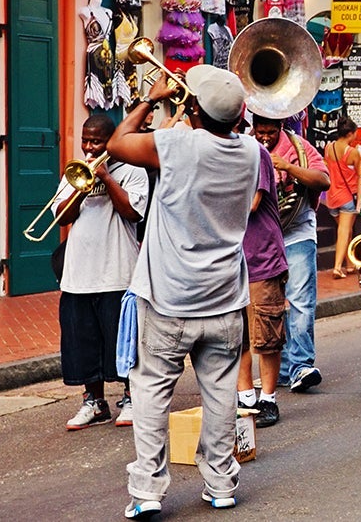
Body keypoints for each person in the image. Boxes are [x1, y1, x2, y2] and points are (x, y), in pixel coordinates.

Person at [110, 66, 258, 517]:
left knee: (152, 393)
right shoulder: (252, 151)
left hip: (170, 298)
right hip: (225, 297)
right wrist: (187, 110)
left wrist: (151, 100)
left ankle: (148, 493)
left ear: (193, 108)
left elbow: (117, 143)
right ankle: (221, 484)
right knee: (220, 395)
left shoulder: (180, 144)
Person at [55, 114, 148, 431]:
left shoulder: (132, 169)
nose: (89, 147)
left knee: (123, 343)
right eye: (85, 140)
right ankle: (93, 402)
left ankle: (131, 397)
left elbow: (133, 212)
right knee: (82, 343)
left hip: (117, 272)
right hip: (79, 273)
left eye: (96, 141)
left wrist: (107, 179)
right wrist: (82, 186)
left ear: (111, 141)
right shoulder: (75, 171)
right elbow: (62, 217)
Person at [250, 115, 330, 394]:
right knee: (269, 305)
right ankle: (281, 369)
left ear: (280, 128)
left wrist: (287, 167)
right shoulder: (247, 148)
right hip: (262, 237)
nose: (265, 137)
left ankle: (301, 366)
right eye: (260, 131)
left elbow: (323, 181)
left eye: (270, 132)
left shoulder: (299, 147)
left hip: (296, 231)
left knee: (300, 300)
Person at [236, 122, 289, 429]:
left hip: (261, 257)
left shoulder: (253, 152)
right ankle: (245, 397)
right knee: (236, 335)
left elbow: (252, 204)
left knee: (267, 336)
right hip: (229, 262)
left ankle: (268, 398)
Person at [323, 115, 361, 279]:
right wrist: (359, 200)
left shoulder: (328, 147)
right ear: (350, 134)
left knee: (346, 231)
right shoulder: (353, 152)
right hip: (347, 197)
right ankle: (338, 267)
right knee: (344, 232)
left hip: (331, 197)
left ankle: (350, 265)